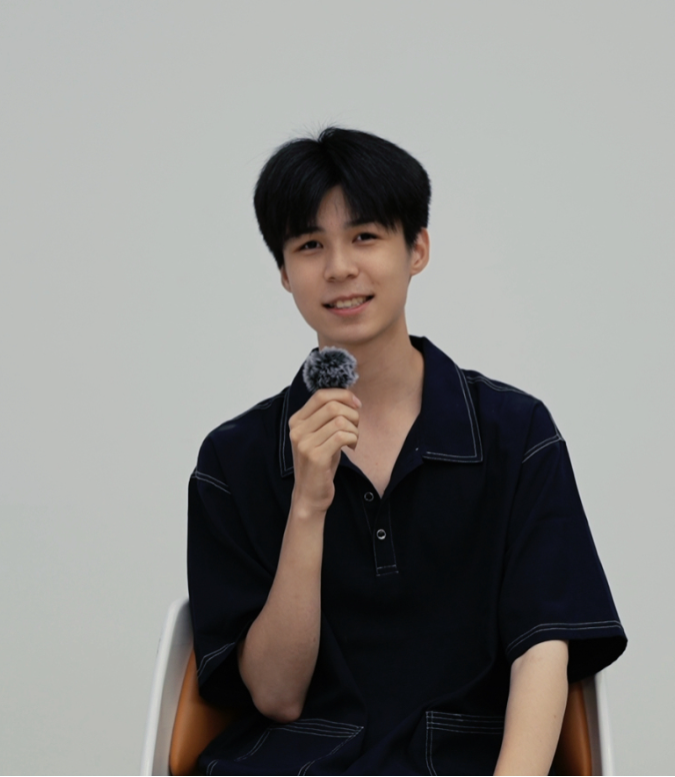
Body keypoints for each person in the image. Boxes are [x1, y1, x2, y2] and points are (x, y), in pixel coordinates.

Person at [187, 127, 627, 776]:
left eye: (365, 236)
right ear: (283, 271)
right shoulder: (233, 461)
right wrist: (307, 503)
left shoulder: (515, 433)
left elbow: (543, 646)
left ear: (416, 248)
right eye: (310, 245)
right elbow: (277, 696)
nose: (339, 268)